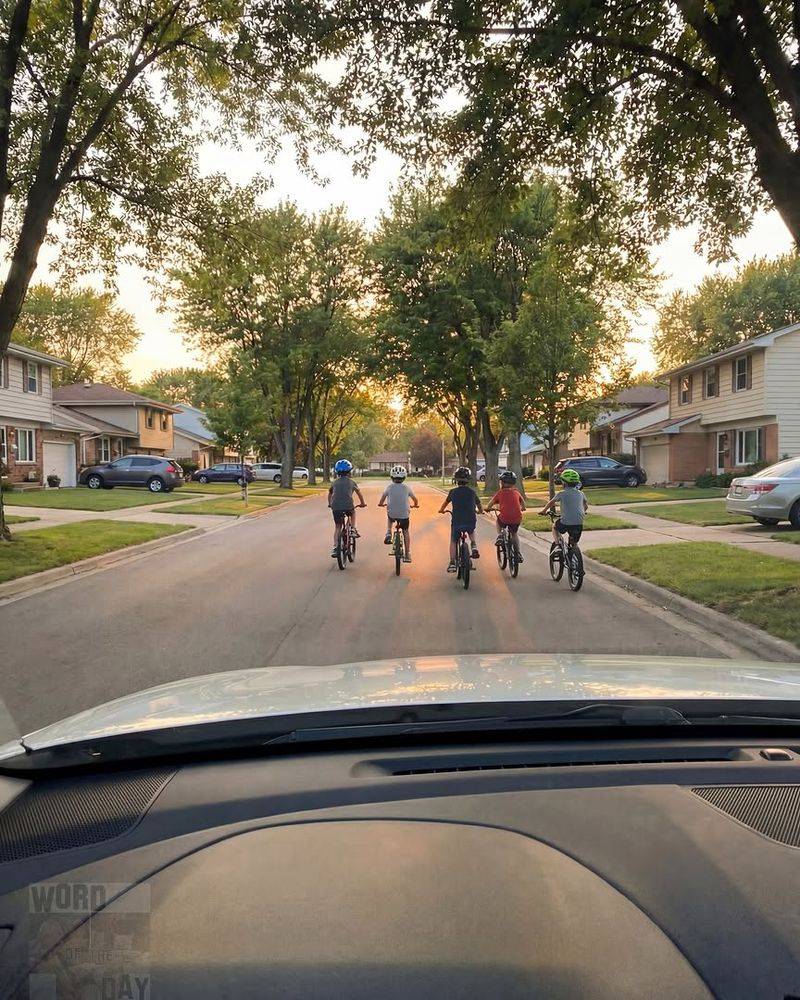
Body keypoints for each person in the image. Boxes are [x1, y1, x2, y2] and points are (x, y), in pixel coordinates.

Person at [438, 466, 483, 573]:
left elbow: (445, 503)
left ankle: (452, 562)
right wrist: (480, 511)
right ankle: (473, 545)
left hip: (457, 521)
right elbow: (479, 504)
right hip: (470, 520)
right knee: (471, 531)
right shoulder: (472, 492)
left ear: (456, 479)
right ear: (468, 480)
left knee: (453, 541)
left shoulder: (453, 492)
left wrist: (441, 510)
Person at [538, 468, 587, 550]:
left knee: (554, 527)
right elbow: (585, 506)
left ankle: (557, 545)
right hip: (579, 522)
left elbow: (551, 502)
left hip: (565, 522)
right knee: (574, 542)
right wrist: (583, 512)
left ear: (563, 482)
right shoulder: (581, 493)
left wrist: (544, 511)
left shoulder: (562, 493)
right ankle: (575, 556)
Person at [379, 465, 419, 562]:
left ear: (392, 477)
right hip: (404, 515)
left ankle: (388, 532)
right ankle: (407, 554)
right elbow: (415, 499)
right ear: (404, 477)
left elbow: (382, 499)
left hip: (392, 514)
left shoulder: (389, 487)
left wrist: (381, 504)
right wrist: (415, 505)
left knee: (389, 517)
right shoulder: (407, 488)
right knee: (405, 531)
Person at [485, 469, 525, 563]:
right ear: (513, 483)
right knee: (514, 534)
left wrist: (487, 508)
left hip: (505, 518)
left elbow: (490, 504)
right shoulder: (516, 492)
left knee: (499, 520)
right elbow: (522, 501)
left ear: (501, 482)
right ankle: (518, 553)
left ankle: (499, 536)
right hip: (517, 518)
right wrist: (523, 507)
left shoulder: (500, 493)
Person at [328, 459, 366, 557]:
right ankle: (353, 529)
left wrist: (330, 504)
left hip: (335, 507)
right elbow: (359, 493)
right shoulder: (352, 482)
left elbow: (330, 494)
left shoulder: (334, 483)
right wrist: (362, 503)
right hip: (348, 506)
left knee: (337, 527)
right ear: (349, 471)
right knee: (352, 513)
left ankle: (335, 547)